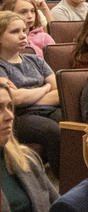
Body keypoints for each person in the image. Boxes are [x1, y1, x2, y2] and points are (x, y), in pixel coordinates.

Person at [0, 10, 61, 171]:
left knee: (71, 125)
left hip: (48, 109)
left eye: (24, 31)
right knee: (52, 131)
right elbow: (15, 99)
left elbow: (59, 91)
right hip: (19, 116)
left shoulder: (35, 59)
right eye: (14, 31)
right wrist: (46, 88)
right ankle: (62, 184)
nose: (22, 36)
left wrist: (30, 96)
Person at [0, 83, 58, 212]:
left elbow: (59, 206)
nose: (9, 116)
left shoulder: (26, 158)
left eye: (10, 107)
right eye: (0, 108)